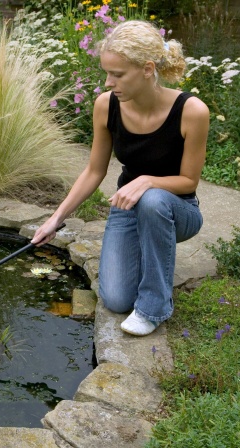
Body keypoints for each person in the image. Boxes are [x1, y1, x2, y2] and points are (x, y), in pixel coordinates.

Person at [31, 20, 210, 336]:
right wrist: (55, 218)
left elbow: (189, 182)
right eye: (106, 72)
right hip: (128, 210)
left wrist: (147, 181)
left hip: (177, 210)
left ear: (147, 69)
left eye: (117, 74)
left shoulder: (191, 111)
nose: (108, 82)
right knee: (115, 299)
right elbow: (94, 171)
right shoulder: (106, 106)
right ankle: (146, 252)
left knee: (152, 200)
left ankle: (153, 308)